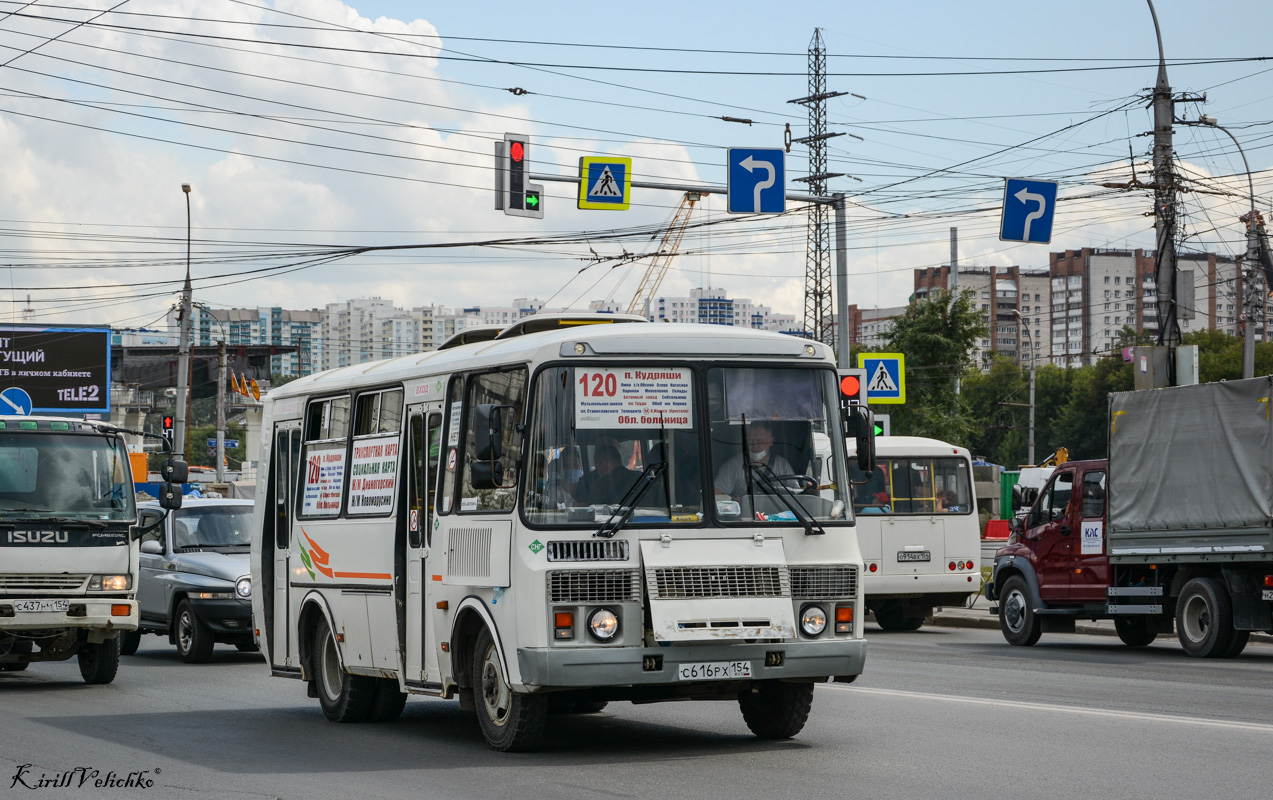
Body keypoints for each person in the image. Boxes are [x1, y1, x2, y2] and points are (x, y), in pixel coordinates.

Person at [714, 420, 797, 498]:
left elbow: (797, 492)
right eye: (750, 440)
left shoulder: (783, 465)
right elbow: (717, 492)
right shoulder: (733, 466)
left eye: (759, 441)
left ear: (770, 441)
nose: (755, 445)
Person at [575, 444, 642, 506]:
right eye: (596, 464)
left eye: (600, 463)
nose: (598, 467)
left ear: (616, 461)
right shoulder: (642, 479)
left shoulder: (598, 487)